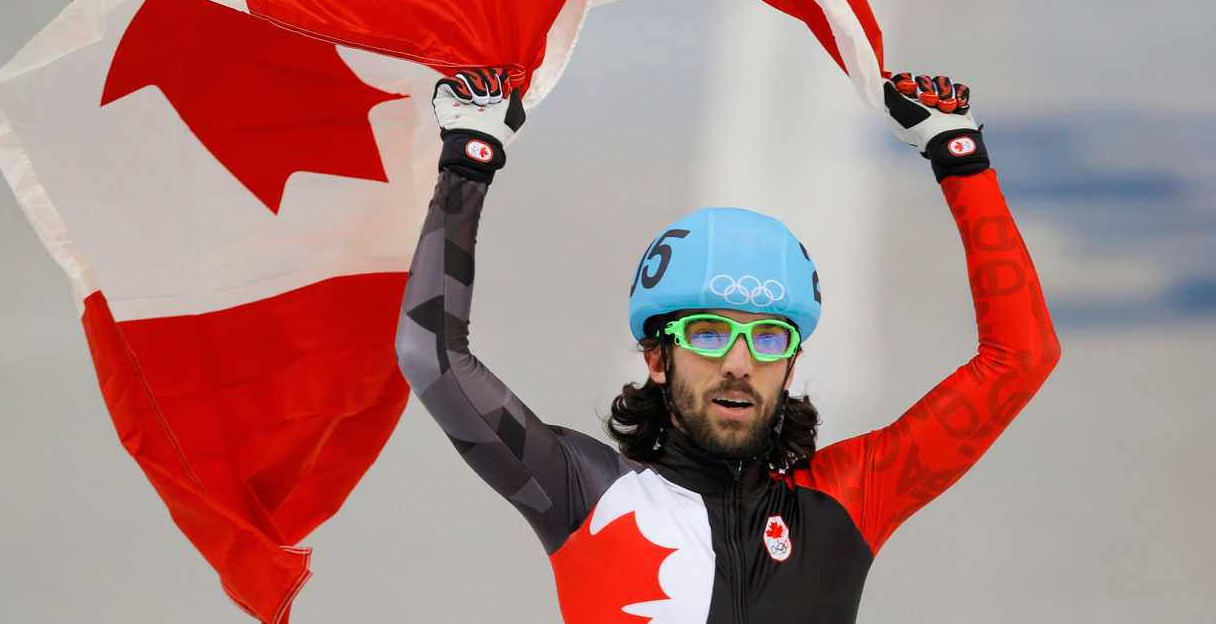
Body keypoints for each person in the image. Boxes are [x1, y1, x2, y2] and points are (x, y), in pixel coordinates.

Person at [395, 68, 1060, 623]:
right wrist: (470, 155)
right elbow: (433, 357)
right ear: (658, 359)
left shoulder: (850, 498)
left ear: (792, 363)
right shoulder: (584, 490)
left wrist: (959, 154)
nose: (738, 364)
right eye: (708, 334)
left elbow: (1022, 358)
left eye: (768, 338)